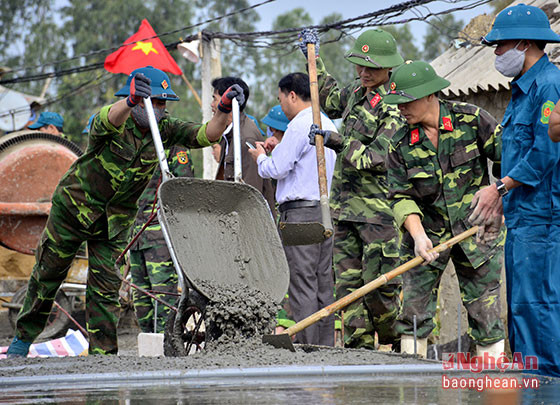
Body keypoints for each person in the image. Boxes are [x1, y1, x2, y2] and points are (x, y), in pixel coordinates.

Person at [6, 65, 243, 357]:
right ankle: (21, 341)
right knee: (48, 275)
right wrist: (130, 101)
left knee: (105, 290)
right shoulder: (115, 120)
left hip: (114, 222)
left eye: (162, 103)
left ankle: (103, 357)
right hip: (74, 210)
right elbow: (104, 121)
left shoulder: (165, 129)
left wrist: (222, 110)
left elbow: (207, 134)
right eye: (154, 101)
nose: (159, 108)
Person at [383, 60, 506, 358]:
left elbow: (508, 157)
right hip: (427, 238)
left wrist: (500, 198)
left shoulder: (472, 119)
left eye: (406, 101)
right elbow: (401, 197)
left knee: (486, 315)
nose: (400, 108)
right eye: (396, 101)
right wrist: (418, 236)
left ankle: (491, 388)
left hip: (478, 234)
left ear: (429, 95)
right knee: (413, 316)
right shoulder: (399, 143)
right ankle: (414, 389)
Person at [299, 28, 405, 349]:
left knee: (379, 291)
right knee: (347, 288)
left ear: (388, 68)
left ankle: (396, 341)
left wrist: (337, 142)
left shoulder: (395, 103)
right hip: (345, 210)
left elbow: (381, 156)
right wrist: (312, 58)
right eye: (359, 66)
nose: (363, 73)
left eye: (371, 68)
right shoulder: (357, 92)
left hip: (378, 216)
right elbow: (328, 94)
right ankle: (358, 351)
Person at [470, 4, 560, 377]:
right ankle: (531, 384)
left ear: (524, 44)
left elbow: (546, 152)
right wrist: (501, 208)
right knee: (521, 306)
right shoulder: (521, 91)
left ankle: (548, 387)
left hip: (543, 219)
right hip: (523, 218)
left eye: (500, 46)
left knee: (538, 306)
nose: (495, 54)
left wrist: (498, 190)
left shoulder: (549, 86)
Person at [248, 72, 337, 346]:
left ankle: (309, 346)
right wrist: (278, 148)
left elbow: (277, 169)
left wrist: (261, 156)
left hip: (299, 215)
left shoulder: (300, 124)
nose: (281, 105)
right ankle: (324, 345)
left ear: (292, 96)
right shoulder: (327, 122)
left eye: (280, 99)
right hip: (322, 211)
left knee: (302, 283)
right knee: (323, 284)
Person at [129, 145, 194, 333]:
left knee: (164, 302)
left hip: (160, 235)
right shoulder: (135, 141)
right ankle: (151, 350)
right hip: (136, 234)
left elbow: (184, 188)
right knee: (141, 303)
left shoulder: (173, 146)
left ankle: (167, 347)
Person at [212, 77, 276, 217]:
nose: (212, 105)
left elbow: (251, 194)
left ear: (227, 101)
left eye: (215, 99)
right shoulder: (228, 134)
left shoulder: (245, 139)